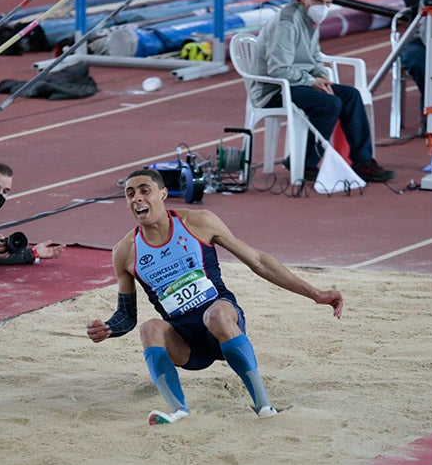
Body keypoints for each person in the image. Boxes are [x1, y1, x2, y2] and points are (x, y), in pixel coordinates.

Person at [86, 169, 343, 425]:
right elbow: (127, 316)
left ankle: (264, 406)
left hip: (223, 321)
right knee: (149, 328)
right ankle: (179, 411)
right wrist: (110, 328)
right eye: (130, 194)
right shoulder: (125, 251)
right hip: (187, 344)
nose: (137, 199)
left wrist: (316, 294)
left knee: (215, 315)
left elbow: (259, 262)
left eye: (144, 191)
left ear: (163, 194)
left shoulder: (198, 223)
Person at [251, 0, 394, 184]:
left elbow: (315, 56)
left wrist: (321, 75)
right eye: (319, 1)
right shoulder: (287, 22)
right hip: (274, 89)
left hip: (299, 82)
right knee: (329, 104)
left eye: (328, 3)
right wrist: (311, 81)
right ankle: (306, 163)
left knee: (351, 96)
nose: (324, 7)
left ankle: (363, 162)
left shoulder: (312, 19)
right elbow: (277, 69)